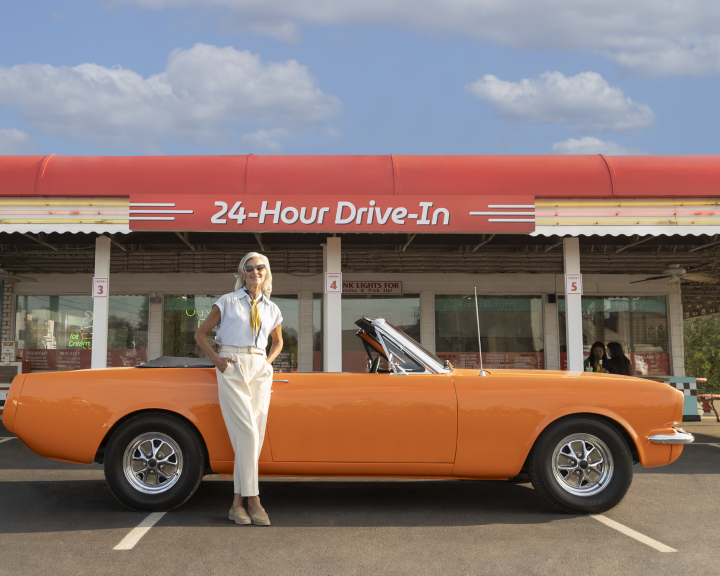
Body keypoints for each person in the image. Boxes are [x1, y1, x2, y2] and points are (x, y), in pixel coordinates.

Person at [195, 252, 283, 526]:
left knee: (252, 438)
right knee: (247, 432)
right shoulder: (228, 301)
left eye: (260, 267)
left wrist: (268, 363)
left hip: (260, 366)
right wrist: (217, 361)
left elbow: (278, 342)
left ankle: (236, 504)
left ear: (266, 273)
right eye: (249, 268)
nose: (255, 271)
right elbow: (200, 334)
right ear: (242, 273)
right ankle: (254, 501)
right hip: (232, 364)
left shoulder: (272, 309)